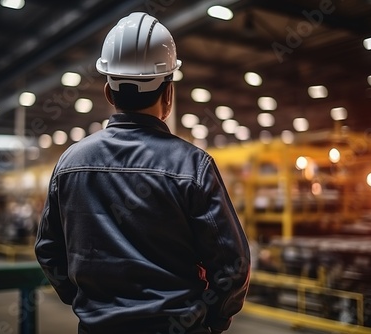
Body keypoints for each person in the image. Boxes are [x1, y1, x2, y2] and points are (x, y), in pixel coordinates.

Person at [35, 12, 250, 334]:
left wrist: (85, 300)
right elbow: (233, 265)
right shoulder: (192, 165)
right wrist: (214, 319)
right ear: (169, 93)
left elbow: (49, 250)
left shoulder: (70, 163)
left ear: (109, 93)